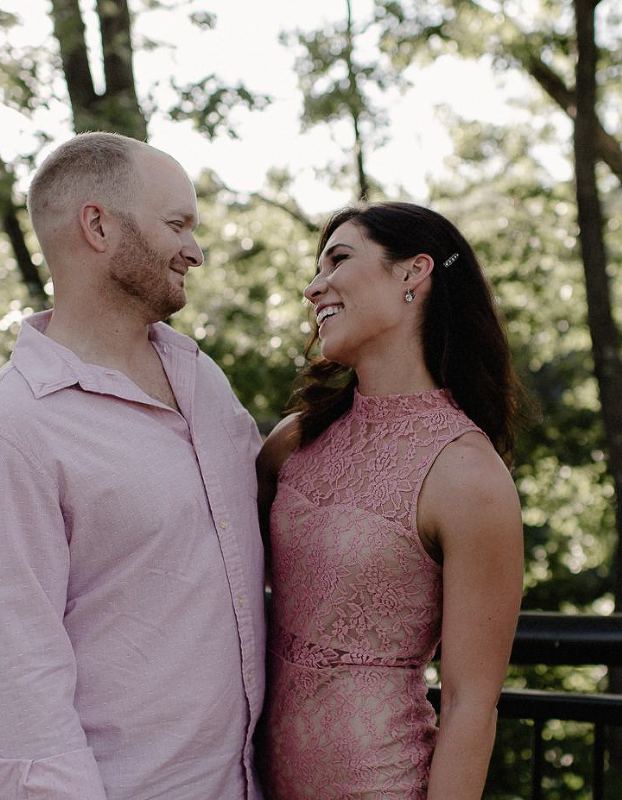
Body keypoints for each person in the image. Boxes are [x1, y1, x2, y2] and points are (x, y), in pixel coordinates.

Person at [0, 132, 265, 799]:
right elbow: (24, 723)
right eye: (177, 225)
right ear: (99, 224)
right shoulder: (3, 435)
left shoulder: (204, 383)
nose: (195, 250)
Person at [257, 202, 525, 798]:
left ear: (414, 272)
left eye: (339, 260)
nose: (313, 287)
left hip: (378, 781)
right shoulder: (295, 440)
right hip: (247, 779)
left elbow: (468, 708)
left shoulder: (468, 476)